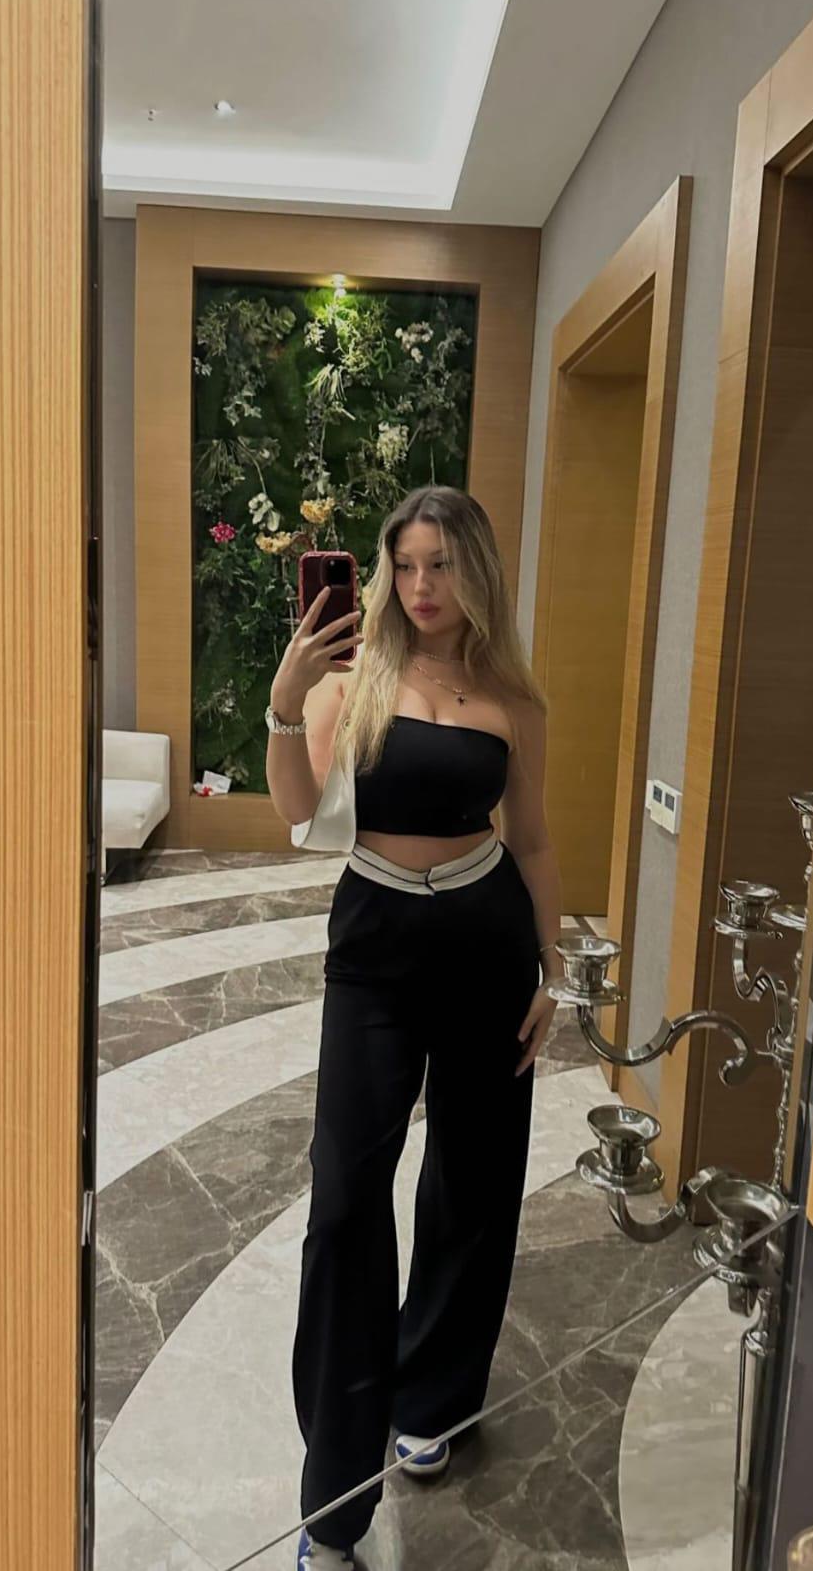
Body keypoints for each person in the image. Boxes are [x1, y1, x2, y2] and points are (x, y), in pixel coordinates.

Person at [265, 486, 564, 1569]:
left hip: (488, 941)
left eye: (442, 564)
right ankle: (336, 1493)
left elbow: (532, 839)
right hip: (377, 947)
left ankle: (433, 1396)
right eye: (405, 565)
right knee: (347, 1198)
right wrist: (284, 706)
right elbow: (302, 813)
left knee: (475, 1182)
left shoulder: (512, 697)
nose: (422, 586)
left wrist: (552, 969)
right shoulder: (353, 680)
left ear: (476, 569)